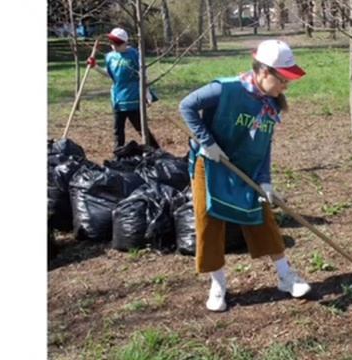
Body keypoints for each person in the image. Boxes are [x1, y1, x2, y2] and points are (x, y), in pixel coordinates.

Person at [179, 39, 311, 312]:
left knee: (262, 218)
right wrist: (207, 143)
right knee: (209, 220)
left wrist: (265, 180)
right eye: (283, 80)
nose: (286, 86)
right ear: (264, 72)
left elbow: (264, 145)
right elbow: (186, 106)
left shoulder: (271, 105)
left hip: (247, 169)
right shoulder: (224, 89)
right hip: (212, 164)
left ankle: (286, 277)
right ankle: (218, 285)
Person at [87, 27, 160, 150]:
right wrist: (95, 67)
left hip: (133, 98)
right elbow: (110, 75)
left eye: (118, 43)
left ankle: (156, 151)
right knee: (118, 131)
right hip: (117, 99)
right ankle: (118, 155)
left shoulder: (135, 55)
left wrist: (147, 94)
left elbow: (143, 75)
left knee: (141, 128)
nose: (114, 46)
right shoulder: (110, 57)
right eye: (112, 43)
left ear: (125, 43)